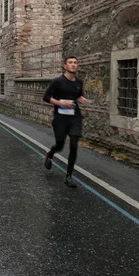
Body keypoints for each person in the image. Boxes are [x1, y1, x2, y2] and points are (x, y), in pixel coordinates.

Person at [42, 56, 87, 188]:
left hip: (75, 117)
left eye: (75, 63)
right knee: (60, 145)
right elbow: (46, 97)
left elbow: (77, 94)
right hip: (60, 117)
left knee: (74, 143)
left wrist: (81, 99)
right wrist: (61, 103)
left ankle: (69, 176)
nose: (73, 65)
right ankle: (50, 154)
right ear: (65, 66)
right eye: (70, 63)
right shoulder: (58, 81)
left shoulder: (79, 82)